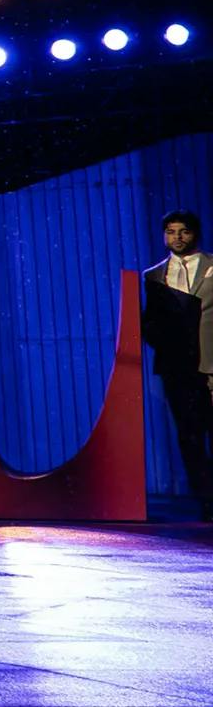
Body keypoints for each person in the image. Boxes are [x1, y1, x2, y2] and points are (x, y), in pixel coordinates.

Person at [147, 211, 211, 516]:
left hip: (211, 362)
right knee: (189, 434)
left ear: (195, 234)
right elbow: (151, 322)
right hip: (178, 368)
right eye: (171, 232)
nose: (177, 237)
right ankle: (207, 501)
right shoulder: (154, 276)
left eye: (183, 232)